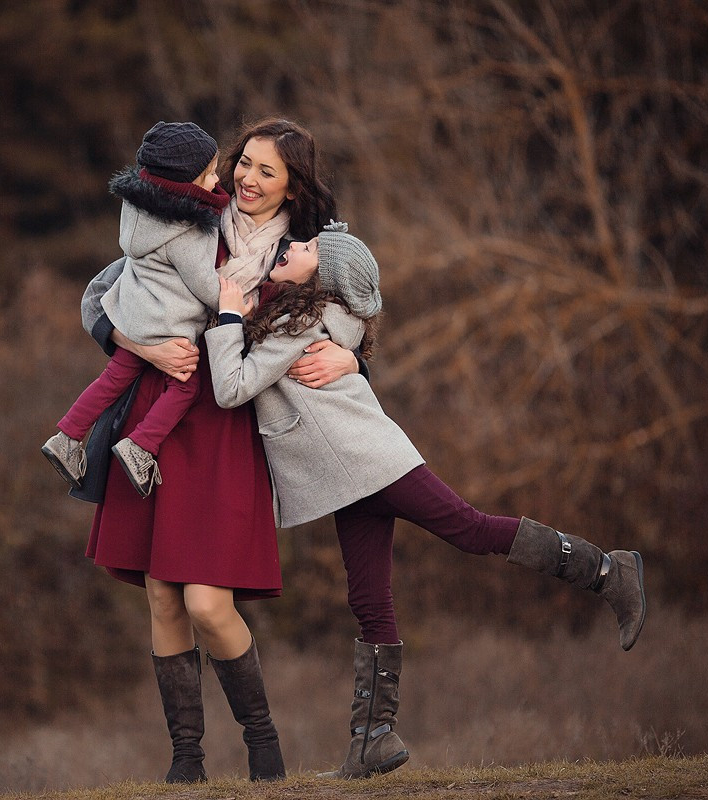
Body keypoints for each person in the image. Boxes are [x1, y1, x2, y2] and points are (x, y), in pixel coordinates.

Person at [205, 222, 648, 780]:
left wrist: (225, 315)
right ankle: (372, 741)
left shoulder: (297, 322)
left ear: (324, 275)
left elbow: (230, 387)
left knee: (471, 529)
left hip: (372, 461)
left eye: (311, 248)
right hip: (348, 476)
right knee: (368, 598)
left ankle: (609, 571)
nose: (295, 247)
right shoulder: (311, 315)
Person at [76, 118, 360, 783]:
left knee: (207, 602)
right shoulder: (187, 214)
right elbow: (99, 298)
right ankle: (186, 762)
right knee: (161, 596)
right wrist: (140, 345)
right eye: (244, 164)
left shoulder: (308, 249)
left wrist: (351, 358)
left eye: (268, 171)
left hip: (228, 427)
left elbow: (354, 316)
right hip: (155, 412)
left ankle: (264, 746)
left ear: (294, 184)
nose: (248, 179)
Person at [42, 121, 227, 498]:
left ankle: (68, 436)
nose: (217, 179)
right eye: (210, 174)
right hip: (167, 325)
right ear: (186, 183)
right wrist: (235, 300)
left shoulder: (136, 207)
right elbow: (207, 287)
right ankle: (141, 446)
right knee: (186, 387)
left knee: (112, 380)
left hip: (132, 315)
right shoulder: (186, 231)